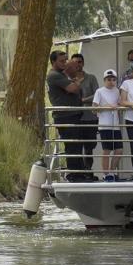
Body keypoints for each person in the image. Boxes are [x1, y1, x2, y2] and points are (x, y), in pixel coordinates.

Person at [46, 50, 86, 181]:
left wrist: (73, 80)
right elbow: (72, 88)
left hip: (73, 114)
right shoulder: (54, 75)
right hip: (65, 116)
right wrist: (77, 82)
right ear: (53, 62)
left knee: (77, 144)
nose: (64, 63)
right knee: (72, 145)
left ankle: (80, 173)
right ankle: (74, 174)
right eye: (61, 61)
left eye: (65, 60)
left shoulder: (61, 75)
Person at [71, 53, 99, 180]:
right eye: (75, 62)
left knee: (89, 147)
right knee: (76, 146)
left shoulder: (91, 78)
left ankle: (88, 170)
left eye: (80, 62)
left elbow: (97, 94)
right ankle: (78, 171)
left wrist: (83, 100)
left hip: (90, 117)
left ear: (83, 63)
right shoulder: (67, 79)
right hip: (75, 118)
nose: (78, 64)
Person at [92, 69, 122, 182]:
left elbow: (120, 103)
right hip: (104, 125)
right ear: (104, 80)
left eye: (113, 79)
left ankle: (112, 171)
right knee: (107, 150)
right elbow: (94, 109)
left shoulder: (118, 91)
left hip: (116, 125)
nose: (111, 82)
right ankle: (106, 174)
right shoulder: (99, 91)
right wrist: (107, 107)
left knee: (119, 150)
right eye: (109, 79)